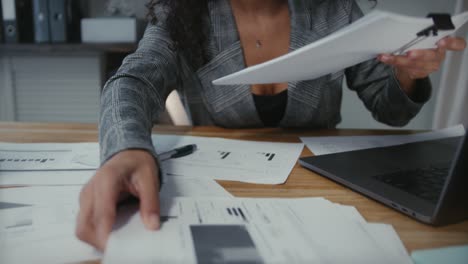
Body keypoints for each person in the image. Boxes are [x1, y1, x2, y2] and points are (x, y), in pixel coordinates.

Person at [75, 0, 467, 251]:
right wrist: (125, 147)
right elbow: (133, 82)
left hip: (330, 195)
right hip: (220, 193)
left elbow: (391, 111)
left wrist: (409, 74)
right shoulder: (182, 15)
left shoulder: (335, 11)